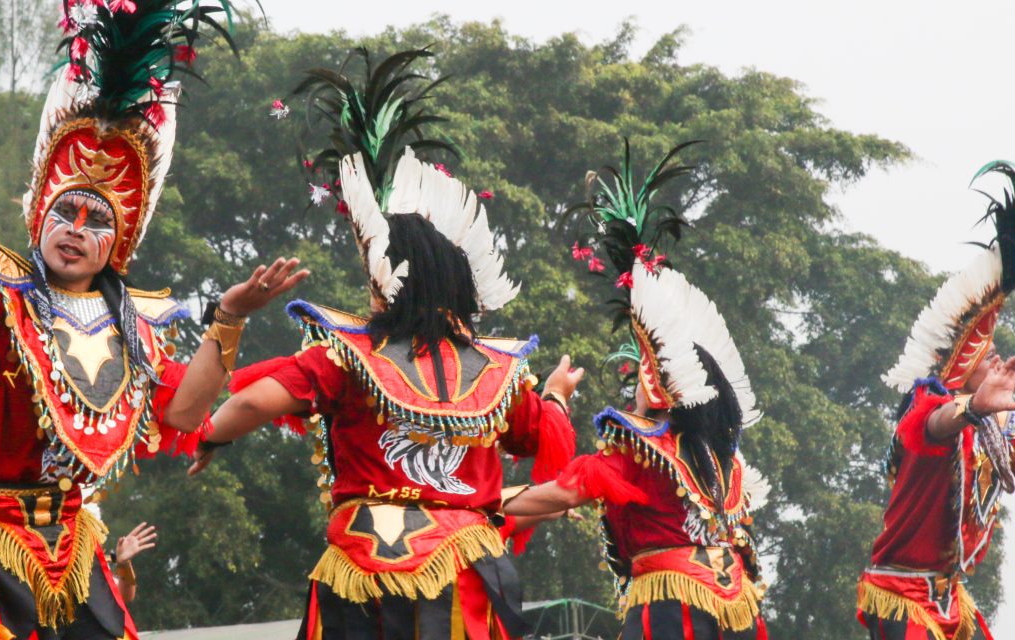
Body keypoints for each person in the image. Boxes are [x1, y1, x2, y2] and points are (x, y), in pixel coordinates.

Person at [0, 2, 305, 638]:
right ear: (40, 215)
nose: (76, 231)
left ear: (118, 243)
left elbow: (181, 414)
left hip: (74, 549)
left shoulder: (134, 328)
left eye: (97, 222)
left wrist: (227, 316)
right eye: (65, 213)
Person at [186, 48, 610, 639]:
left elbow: (254, 401)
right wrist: (559, 397)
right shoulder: (498, 375)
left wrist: (213, 435)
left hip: (366, 567)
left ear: (389, 278)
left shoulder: (348, 356)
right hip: (464, 572)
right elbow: (545, 459)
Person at [503, 142, 770, 639]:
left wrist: (474, 503)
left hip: (674, 608)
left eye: (638, 377)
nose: (633, 393)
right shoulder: (722, 460)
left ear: (659, 383)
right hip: (738, 609)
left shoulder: (641, 451)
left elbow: (563, 495)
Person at [856, 161, 1015, 640]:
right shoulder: (927, 407)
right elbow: (941, 422)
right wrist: (973, 407)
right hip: (904, 596)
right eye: (986, 355)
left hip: (950, 594)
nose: (997, 361)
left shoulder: (995, 433)